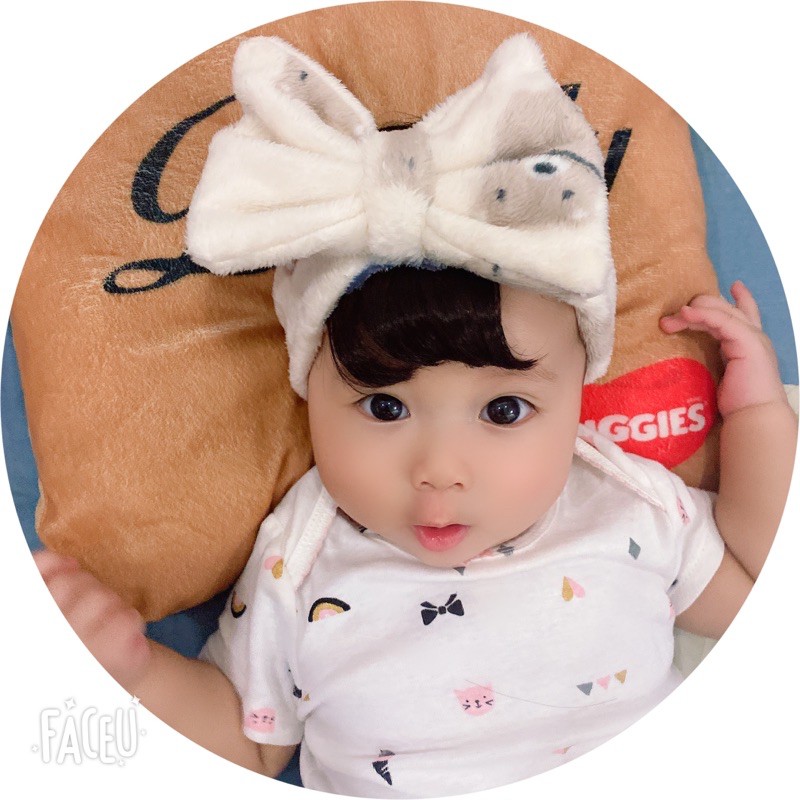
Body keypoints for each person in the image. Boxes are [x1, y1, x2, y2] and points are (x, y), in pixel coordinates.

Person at [34, 33, 796, 797]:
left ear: (576, 396)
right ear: (310, 394)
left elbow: (753, 594)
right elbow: (245, 740)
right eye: (384, 405)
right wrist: (135, 676)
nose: (438, 470)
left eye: (504, 410)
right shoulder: (299, 562)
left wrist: (759, 417)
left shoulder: (625, 502)